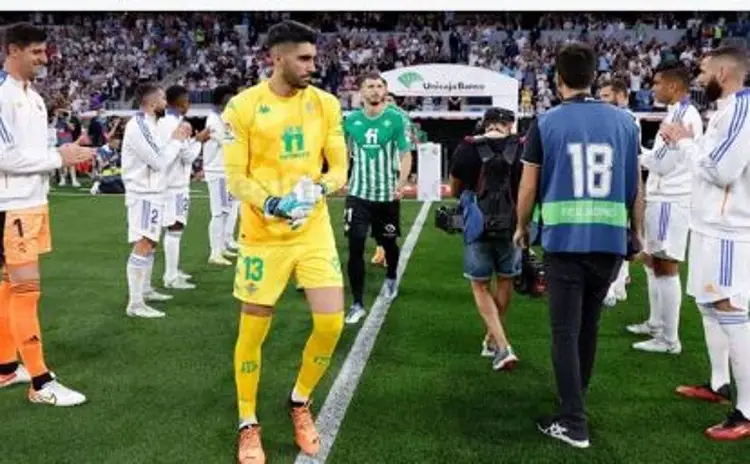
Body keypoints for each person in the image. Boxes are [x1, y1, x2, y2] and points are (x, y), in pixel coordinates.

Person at [220, 20, 348, 463]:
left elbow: (338, 169)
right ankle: (247, 422)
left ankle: (299, 401)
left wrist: (320, 189)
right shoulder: (242, 107)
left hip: (312, 230)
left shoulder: (326, 104)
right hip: (261, 236)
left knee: (331, 323)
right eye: (304, 58)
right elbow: (236, 177)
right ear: (277, 57)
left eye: (314, 57)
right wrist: (273, 203)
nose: (314, 65)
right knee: (253, 330)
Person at [514, 42, 644, 448]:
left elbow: (528, 184)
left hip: (565, 243)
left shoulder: (547, 122)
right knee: (589, 327)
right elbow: (636, 187)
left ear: (557, 78)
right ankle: (576, 400)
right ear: (594, 77)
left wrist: (521, 228)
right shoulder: (626, 123)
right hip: (609, 240)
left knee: (564, 333)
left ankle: (573, 420)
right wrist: (636, 233)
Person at [0, 22, 95, 405]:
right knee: (26, 291)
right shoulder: (3, 96)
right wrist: (59, 157)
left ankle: (6, 367)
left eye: (44, 51)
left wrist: (65, 151)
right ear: (13, 51)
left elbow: (32, 153)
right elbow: (4, 156)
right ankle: (41, 383)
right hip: (11, 206)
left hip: (32, 202)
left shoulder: (34, 98)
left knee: (8, 286)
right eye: (36, 52)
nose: (44, 58)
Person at [661, 45, 750, 441]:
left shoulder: (742, 111)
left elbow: (721, 171)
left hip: (729, 229)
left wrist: (683, 141)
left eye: (703, 71)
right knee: (709, 305)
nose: (699, 77)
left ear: (724, 74)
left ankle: (746, 411)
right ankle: (719, 385)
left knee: (730, 310)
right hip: (710, 225)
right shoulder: (727, 108)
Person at [628, 62, 703, 354]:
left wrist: (634, 152)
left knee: (667, 263)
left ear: (673, 86)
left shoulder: (683, 115)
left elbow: (663, 164)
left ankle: (669, 339)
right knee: (655, 261)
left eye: (657, 83)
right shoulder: (677, 112)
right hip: (665, 197)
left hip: (671, 198)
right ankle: (657, 323)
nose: (653, 88)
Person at [449, 107, 522, 371]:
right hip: (513, 227)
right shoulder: (522, 148)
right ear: (510, 125)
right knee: (505, 279)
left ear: (485, 124)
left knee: (480, 285)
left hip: (477, 226)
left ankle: (501, 345)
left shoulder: (467, 148)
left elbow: (454, 188)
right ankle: (492, 339)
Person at [343, 72, 412, 324]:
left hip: (387, 196)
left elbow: (405, 154)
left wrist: (401, 183)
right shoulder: (351, 120)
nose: (375, 90)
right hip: (358, 195)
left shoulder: (396, 119)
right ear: (361, 92)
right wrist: (341, 175)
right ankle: (357, 302)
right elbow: (345, 152)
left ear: (385, 91)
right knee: (355, 246)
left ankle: (392, 276)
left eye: (379, 86)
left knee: (389, 243)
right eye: (369, 86)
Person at [121, 83, 192, 318]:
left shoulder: (151, 124)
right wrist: (177, 139)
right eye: (162, 98)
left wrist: (174, 140)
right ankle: (135, 303)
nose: (165, 102)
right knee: (143, 244)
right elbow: (159, 161)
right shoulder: (139, 125)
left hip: (154, 192)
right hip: (143, 193)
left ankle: (146, 290)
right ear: (152, 103)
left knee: (151, 243)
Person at [157, 85, 207, 290]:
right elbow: (187, 156)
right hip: (175, 184)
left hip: (169, 183)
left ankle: (173, 271)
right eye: (187, 101)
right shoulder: (176, 124)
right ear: (179, 102)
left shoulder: (165, 122)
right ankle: (170, 276)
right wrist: (199, 140)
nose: (189, 105)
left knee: (173, 227)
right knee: (175, 227)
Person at [598, 78, 639, 307]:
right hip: (615, 185)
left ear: (621, 95)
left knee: (617, 236)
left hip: (619, 187)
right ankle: (620, 284)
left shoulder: (626, 121)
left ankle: (612, 288)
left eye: (605, 96)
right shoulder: (620, 119)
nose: (601, 101)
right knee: (618, 234)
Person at [203, 84, 238, 266]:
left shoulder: (223, 118)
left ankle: (222, 246)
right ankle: (214, 253)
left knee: (225, 211)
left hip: (224, 170)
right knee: (218, 213)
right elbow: (227, 142)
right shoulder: (212, 121)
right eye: (230, 99)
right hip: (216, 171)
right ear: (223, 100)